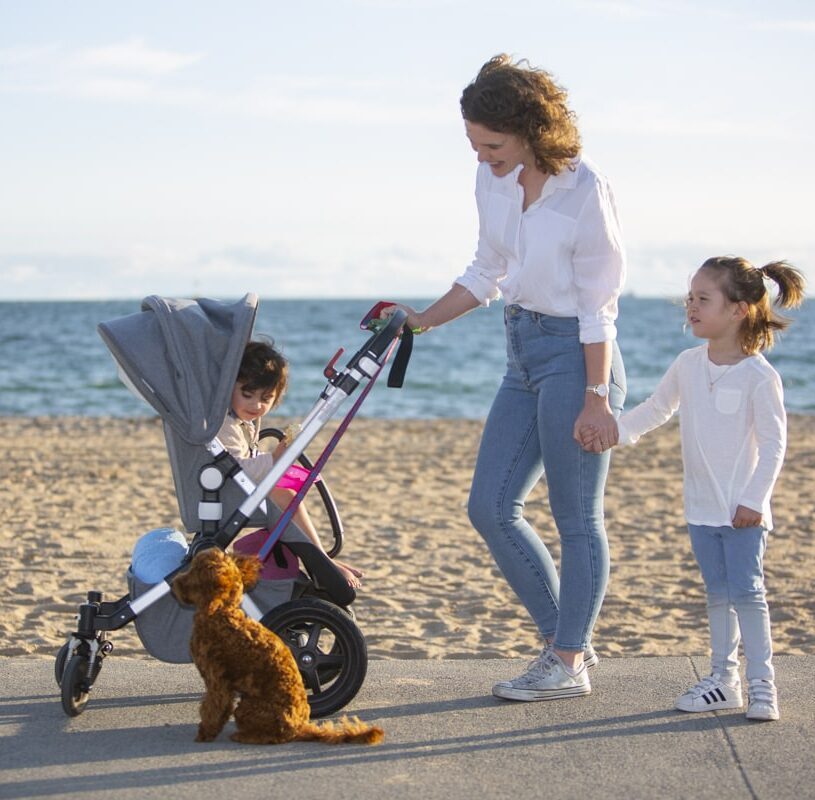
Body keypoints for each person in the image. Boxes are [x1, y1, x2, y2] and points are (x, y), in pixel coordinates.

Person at [385, 54, 627, 701]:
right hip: (522, 351)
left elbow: (598, 304)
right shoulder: (492, 182)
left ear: (528, 128)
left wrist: (597, 398)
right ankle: (565, 643)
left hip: (577, 358)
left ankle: (566, 659)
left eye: (490, 144)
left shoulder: (583, 190)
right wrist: (419, 321)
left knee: (575, 519)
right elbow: (484, 269)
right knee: (489, 506)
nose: (480, 157)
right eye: (472, 143)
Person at [581, 256, 804, 721]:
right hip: (701, 509)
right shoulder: (687, 364)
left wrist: (754, 499)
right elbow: (656, 409)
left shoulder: (760, 376)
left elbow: (775, 444)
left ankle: (764, 684)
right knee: (717, 594)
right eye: (690, 298)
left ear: (739, 309)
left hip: (744, 512)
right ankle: (725, 681)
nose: (692, 307)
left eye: (704, 299)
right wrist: (612, 432)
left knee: (749, 593)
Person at [218, 339, 365, 589]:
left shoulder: (244, 420)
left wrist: (277, 459)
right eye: (247, 395)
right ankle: (321, 561)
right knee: (285, 497)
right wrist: (275, 458)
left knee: (289, 493)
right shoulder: (224, 423)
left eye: (266, 398)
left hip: (232, 486)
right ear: (228, 386)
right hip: (223, 491)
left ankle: (320, 558)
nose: (256, 405)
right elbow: (235, 468)